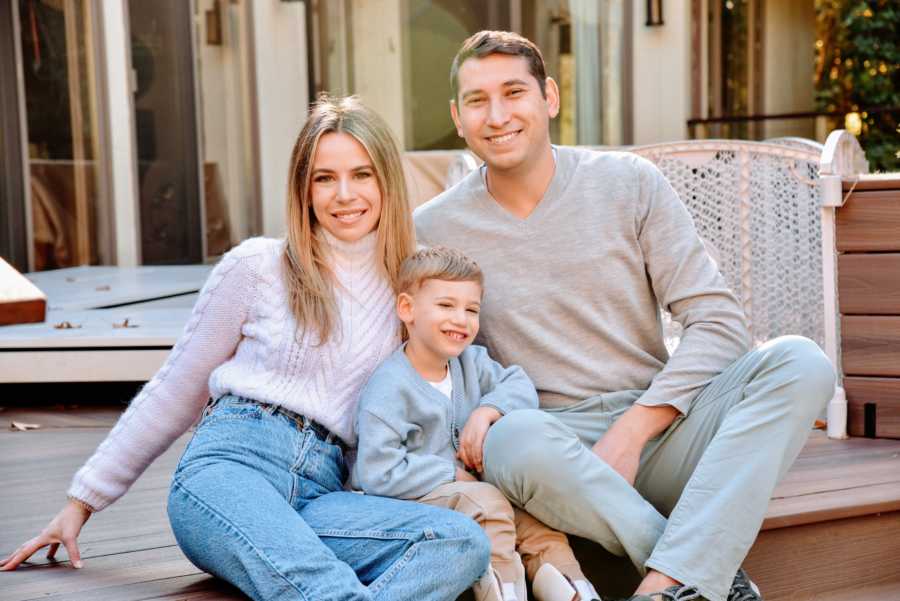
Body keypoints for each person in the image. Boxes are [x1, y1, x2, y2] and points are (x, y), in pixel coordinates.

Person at [1, 96, 490, 601]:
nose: (344, 195)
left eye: (361, 175)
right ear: (303, 188)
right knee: (322, 586)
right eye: (324, 178)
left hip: (326, 490)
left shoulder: (410, 293)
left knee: (459, 545)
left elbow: (451, 383)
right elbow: (175, 389)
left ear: (386, 179)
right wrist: (81, 502)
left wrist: (493, 413)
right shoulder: (258, 267)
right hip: (231, 467)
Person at [413, 30, 836, 601]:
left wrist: (635, 429)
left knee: (801, 362)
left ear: (550, 98)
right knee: (510, 440)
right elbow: (428, 352)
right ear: (457, 118)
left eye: (514, 92)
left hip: (665, 426)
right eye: (476, 100)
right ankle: (695, 569)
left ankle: (664, 586)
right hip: (553, 452)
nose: (497, 115)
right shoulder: (434, 228)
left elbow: (718, 321)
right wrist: (485, 408)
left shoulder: (629, 183)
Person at [352, 246, 600, 601]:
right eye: (446, 305)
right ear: (407, 309)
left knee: (535, 522)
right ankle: (503, 590)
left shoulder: (472, 362)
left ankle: (574, 589)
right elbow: (378, 470)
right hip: (409, 498)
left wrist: (487, 411)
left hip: (477, 492)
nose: (461, 319)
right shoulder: (389, 388)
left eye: (471, 309)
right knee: (490, 506)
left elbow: (517, 383)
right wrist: (450, 474)